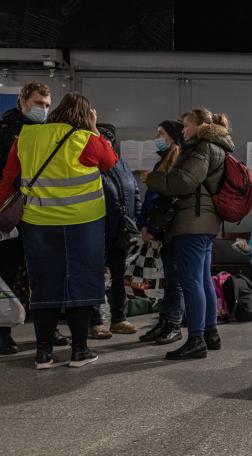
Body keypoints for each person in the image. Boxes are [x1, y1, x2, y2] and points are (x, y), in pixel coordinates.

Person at [0, 92, 118, 368]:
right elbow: (111, 161)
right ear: (87, 115)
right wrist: (93, 128)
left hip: (39, 224)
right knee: (81, 284)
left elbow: (8, 177)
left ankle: (43, 353)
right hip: (84, 225)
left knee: (43, 285)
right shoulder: (87, 140)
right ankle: (79, 351)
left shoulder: (26, 137)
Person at [145, 108, 230, 360]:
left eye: (186, 125)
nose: (182, 130)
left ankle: (196, 339)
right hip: (204, 222)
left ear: (200, 126)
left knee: (191, 282)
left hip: (192, 222)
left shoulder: (202, 148)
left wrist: (152, 178)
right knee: (202, 279)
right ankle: (210, 333)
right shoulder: (217, 147)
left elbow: (183, 182)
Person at [0, 81, 71, 354]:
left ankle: (47, 327)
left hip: (40, 212)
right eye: (38, 104)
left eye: (46, 105)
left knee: (40, 273)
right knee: (6, 271)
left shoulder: (47, 132)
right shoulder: (5, 132)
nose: (43, 109)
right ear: (22, 102)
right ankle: (3, 331)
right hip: (12, 210)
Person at [87, 123, 141, 339]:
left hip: (120, 231)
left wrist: (134, 217)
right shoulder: (90, 163)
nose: (104, 145)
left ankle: (119, 319)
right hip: (96, 230)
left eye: (107, 141)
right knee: (94, 277)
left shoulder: (121, 164)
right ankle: (95, 322)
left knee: (119, 277)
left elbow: (134, 191)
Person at [138, 120, 186, 345]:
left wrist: (153, 228)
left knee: (173, 281)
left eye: (161, 134)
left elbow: (165, 200)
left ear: (173, 137)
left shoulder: (175, 162)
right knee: (167, 280)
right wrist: (144, 225)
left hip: (170, 231)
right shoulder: (163, 162)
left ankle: (174, 323)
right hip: (160, 230)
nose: (156, 138)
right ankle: (165, 321)